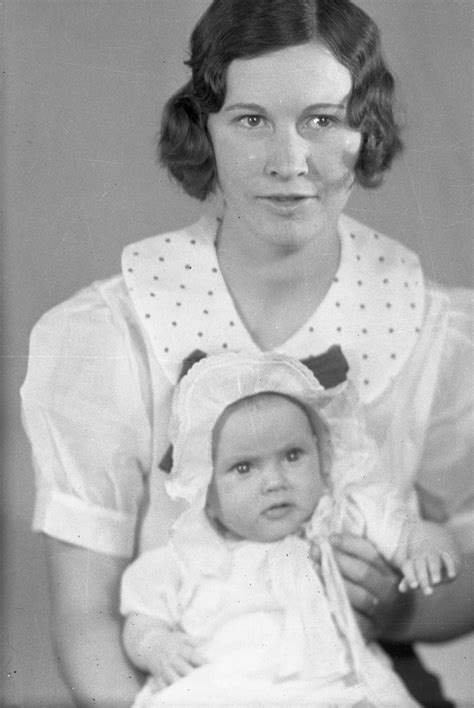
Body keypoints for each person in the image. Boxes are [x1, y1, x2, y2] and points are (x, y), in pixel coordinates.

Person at [20, 0, 473, 705]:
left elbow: (466, 570)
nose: (289, 162)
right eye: (251, 119)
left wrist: (397, 606)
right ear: (205, 127)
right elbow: (87, 619)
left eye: (323, 119)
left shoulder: (437, 331)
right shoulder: (109, 332)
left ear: (366, 128)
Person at [120, 352, 458, 707]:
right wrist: (155, 647)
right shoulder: (190, 550)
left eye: (293, 456)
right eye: (244, 467)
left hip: (336, 684)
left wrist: (427, 549)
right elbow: (141, 619)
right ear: (207, 491)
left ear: (323, 455)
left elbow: (410, 533)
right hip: (226, 688)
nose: (274, 482)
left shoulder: (342, 517)